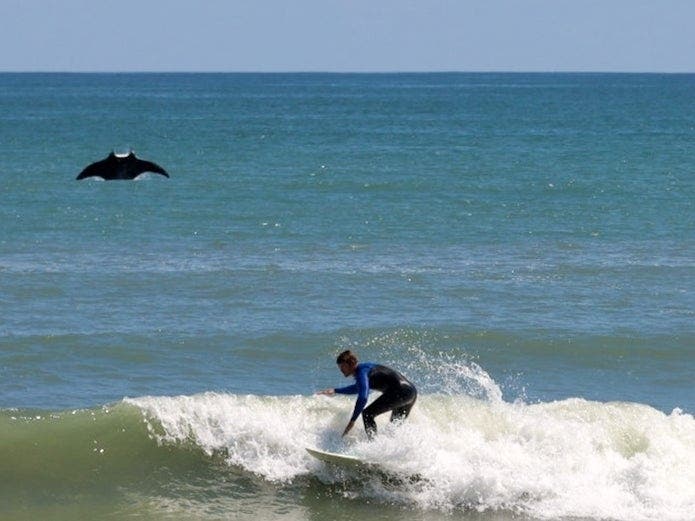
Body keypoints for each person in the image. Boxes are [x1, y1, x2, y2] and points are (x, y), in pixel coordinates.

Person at [317, 350, 417, 439]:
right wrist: (335, 390)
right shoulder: (365, 369)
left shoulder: (362, 372)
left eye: (342, 367)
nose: (341, 370)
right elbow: (357, 388)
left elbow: (363, 397)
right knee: (393, 428)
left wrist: (352, 421)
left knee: (367, 414)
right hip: (411, 393)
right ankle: (391, 454)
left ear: (351, 363)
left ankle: (374, 446)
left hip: (400, 391)